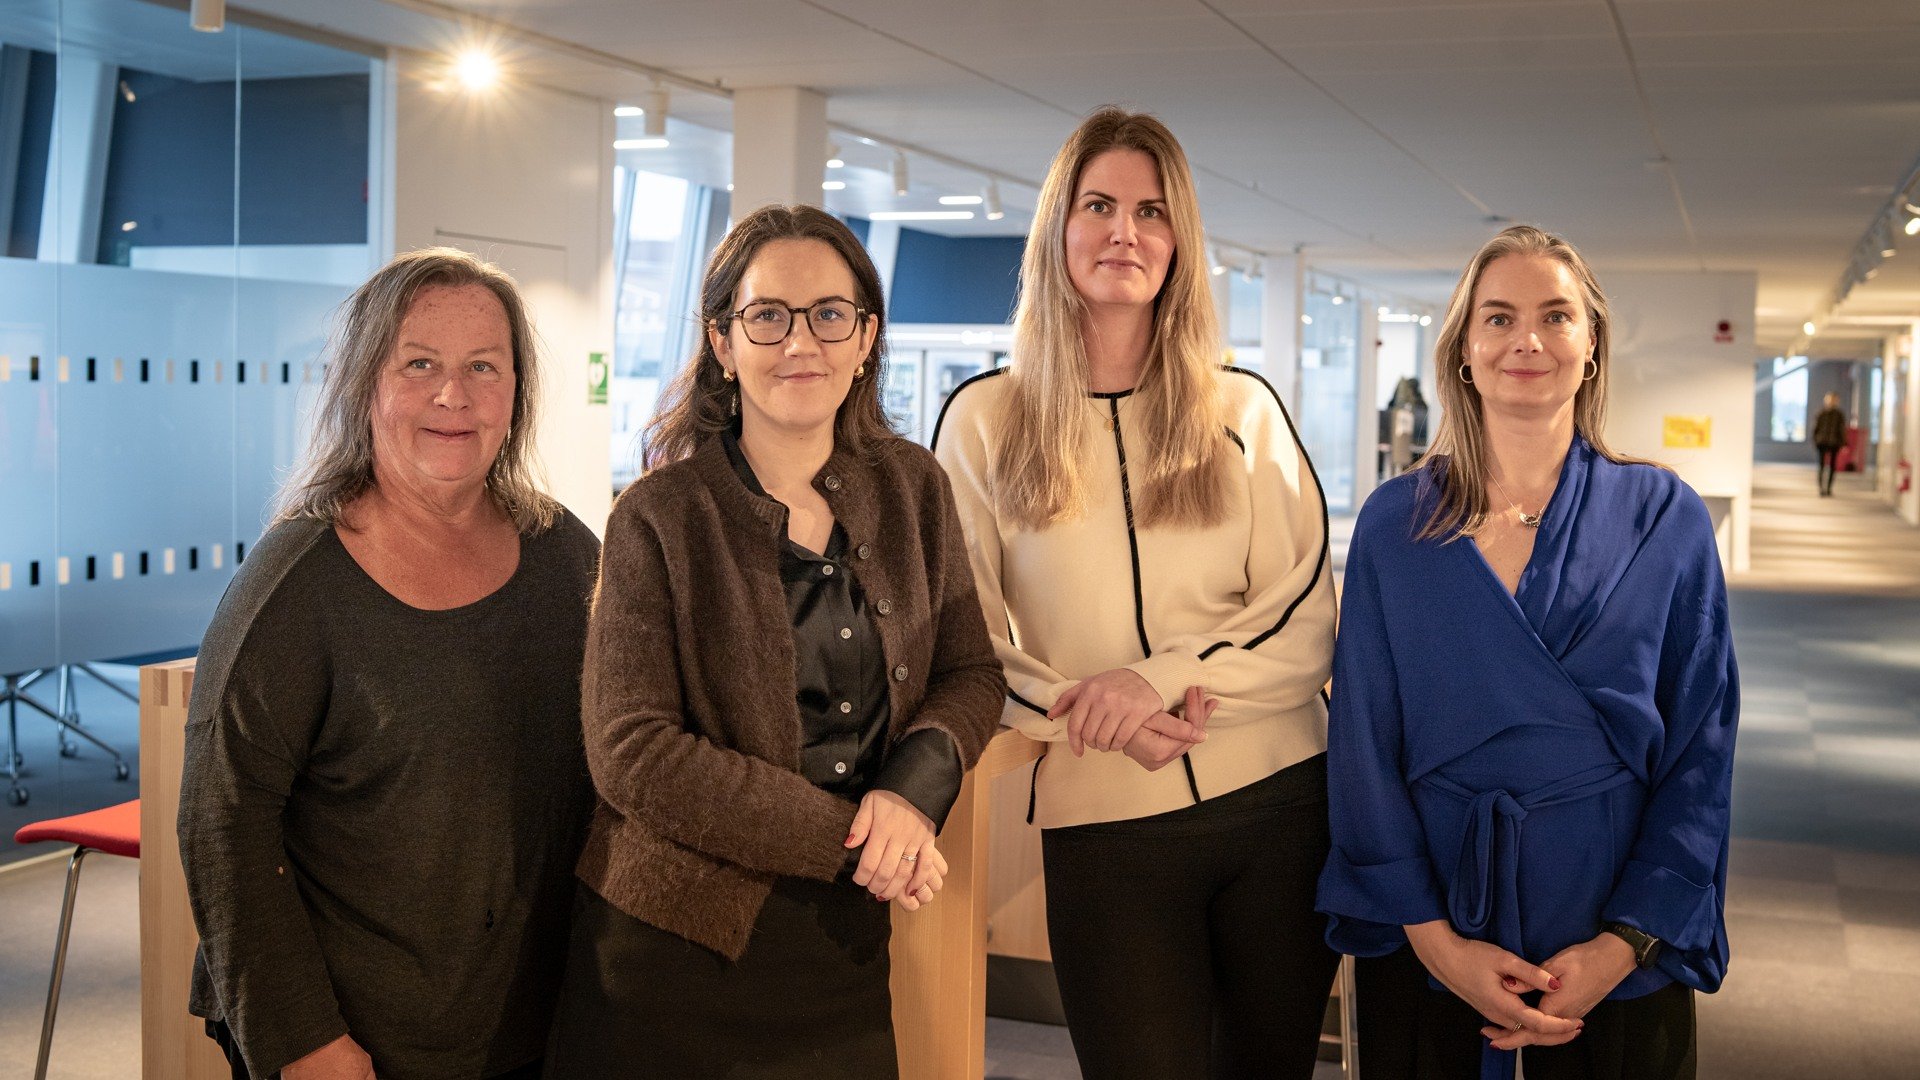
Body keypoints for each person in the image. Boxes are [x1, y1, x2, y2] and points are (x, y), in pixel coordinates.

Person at [542, 204, 1005, 1079]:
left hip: (843, 939)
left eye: (831, 314)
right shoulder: (660, 516)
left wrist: (910, 798)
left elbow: (970, 669)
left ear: (866, 337)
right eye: (769, 316)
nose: (803, 342)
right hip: (672, 955)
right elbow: (632, 754)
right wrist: (858, 841)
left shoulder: (913, 488)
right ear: (722, 340)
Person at [932, 108, 1339, 1080]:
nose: (1125, 232)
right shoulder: (984, 421)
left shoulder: (1242, 408)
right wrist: (1087, 712)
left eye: (1151, 212)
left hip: (1276, 811)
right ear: (1058, 230)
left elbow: (1305, 619)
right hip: (1104, 827)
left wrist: (1151, 683)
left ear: (1179, 241)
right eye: (1100, 205)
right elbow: (966, 633)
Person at [1318, 225, 1738, 1080]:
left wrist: (1625, 943)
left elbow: (1703, 747)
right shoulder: (1397, 526)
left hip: (1614, 911)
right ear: (1465, 350)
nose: (1527, 341)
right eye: (1499, 318)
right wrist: (1438, 946)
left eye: (1555, 317)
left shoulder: (1667, 517)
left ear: (1590, 347)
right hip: (1436, 913)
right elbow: (1363, 744)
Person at [178, 248, 601, 1080]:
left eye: (484, 365)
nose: (454, 394)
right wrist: (302, 1041)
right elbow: (222, 823)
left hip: (530, 1023)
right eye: (420, 364)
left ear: (515, 394)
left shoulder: (567, 557)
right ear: (366, 384)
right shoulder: (296, 582)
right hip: (354, 1040)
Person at [1811, 391, 1846, 496]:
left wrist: (1843, 443)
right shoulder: (1821, 413)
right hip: (1822, 442)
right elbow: (1815, 428)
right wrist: (1816, 440)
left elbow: (1842, 430)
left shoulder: (1839, 414)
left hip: (1834, 443)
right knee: (1821, 465)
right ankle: (1821, 488)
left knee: (1832, 466)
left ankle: (1829, 488)